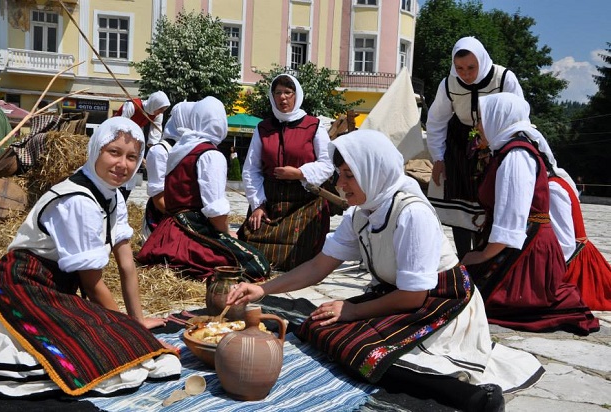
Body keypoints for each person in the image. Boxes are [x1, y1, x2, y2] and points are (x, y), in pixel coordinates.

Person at [228, 129, 545, 412]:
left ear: (372, 172)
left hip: (443, 302)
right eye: (339, 174)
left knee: (365, 350)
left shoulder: (412, 213)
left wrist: (353, 310)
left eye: (349, 175)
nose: (339, 184)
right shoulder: (361, 214)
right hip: (399, 295)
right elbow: (318, 266)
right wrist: (263, 289)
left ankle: (468, 397)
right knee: (318, 327)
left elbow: (414, 296)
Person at [0, 117, 180, 397]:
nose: (122, 164)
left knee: (119, 341)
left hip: (58, 286)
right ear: (96, 150)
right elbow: (92, 285)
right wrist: (131, 333)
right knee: (89, 350)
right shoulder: (78, 201)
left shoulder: (112, 196)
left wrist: (136, 322)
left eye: (131, 157)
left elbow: (127, 265)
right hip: (25, 284)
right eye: (113, 152)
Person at [461, 92, 599, 334]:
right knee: (460, 289)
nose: (478, 127)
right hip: (521, 247)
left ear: (498, 118)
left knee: (471, 300)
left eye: (482, 119)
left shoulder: (517, 156)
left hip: (528, 251)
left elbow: (511, 222)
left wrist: (482, 256)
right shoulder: (507, 151)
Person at [136, 97, 270, 281]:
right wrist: (226, 235)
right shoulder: (210, 155)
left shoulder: (181, 149)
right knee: (258, 264)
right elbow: (215, 210)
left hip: (168, 231)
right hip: (193, 229)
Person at [426, 36, 524, 259]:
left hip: (495, 141)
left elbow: (517, 113)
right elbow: (436, 121)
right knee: (459, 200)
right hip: (460, 143)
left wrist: (503, 149)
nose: (466, 74)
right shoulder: (448, 83)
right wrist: (438, 158)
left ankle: (488, 257)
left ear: (481, 60)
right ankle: (465, 258)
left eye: (471, 67)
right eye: (459, 68)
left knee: (490, 198)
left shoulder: (504, 78)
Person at [238, 73, 334, 271]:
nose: (283, 98)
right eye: (278, 93)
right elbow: (251, 168)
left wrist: (300, 173)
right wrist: (257, 205)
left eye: (288, 92)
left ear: (296, 95)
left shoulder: (314, 126)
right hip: (270, 200)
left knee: (298, 257)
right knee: (249, 248)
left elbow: (328, 163)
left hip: (304, 201)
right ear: (272, 96)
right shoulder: (263, 128)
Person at [549, 173, 611, 310]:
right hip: (580, 252)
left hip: (575, 259)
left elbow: (565, 240)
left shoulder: (552, 187)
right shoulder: (559, 182)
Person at [141, 101, 196, 242]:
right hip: (166, 219)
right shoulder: (159, 151)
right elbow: (159, 199)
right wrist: (186, 223)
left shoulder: (194, 149)